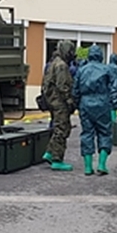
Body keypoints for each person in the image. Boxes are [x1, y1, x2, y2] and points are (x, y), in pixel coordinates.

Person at [72, 44, 117, 176]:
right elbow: (114, 87)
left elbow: (75, 90)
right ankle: (102, 164)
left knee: (87, 133)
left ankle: (87, 167)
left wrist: (77, 104)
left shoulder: (82, 70)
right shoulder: (107, 69)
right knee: (104, 133)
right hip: (103, 103)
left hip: (85, 103)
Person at [42, 40, 76, 171]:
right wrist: (69, 101)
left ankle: (50, 152)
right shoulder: (61, 65)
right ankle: (57, 159)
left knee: (58, 127)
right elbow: (63, 86)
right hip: (59, 102)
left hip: (52, 101)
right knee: (62, 129)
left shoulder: (53, 63)